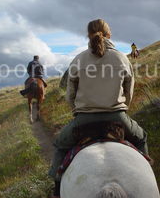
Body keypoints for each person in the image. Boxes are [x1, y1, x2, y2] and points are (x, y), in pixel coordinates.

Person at [49, 19, 149, 198]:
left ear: (88, 35)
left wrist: (77, 111)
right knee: (141, 138)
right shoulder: (121, 58)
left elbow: (70, 95)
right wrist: (121, 107)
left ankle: (56, 189)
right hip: (117, 117)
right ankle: (148, 172)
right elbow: (129, 92)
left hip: (83, 119)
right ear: (109, 34)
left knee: (59, 145)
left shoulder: (79, 59)